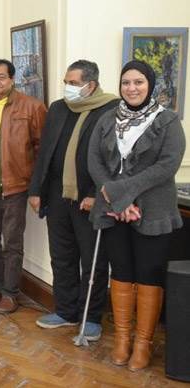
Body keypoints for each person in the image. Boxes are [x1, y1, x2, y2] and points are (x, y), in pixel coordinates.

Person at [88, 60, 185, 371]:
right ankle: (122, 339)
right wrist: (118, 200)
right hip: (114, 212)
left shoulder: (167, 121)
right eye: (126, 82)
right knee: (121, 272)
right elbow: (94, 162)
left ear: (150, 85)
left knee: (148, 274)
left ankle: (143, 343)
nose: (131, 88)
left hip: (153, 209)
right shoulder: (106, 119)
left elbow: (166, 166)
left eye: (138, 82)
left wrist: (122, 194)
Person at [28, 60, 118, 339]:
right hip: (57, 195)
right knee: (62, 256)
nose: (68, 87)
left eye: (74, 83)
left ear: (91, 85)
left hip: (88, 198)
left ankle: (91, 316)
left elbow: (112, 159)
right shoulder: (58, 108)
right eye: (66, 82)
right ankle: (66, 311)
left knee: (93, 260)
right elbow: (45, 153)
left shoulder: (111, 110)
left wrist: (95, 195)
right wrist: (36, 190)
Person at [0, 59, 46, 313]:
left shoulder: (31, 107)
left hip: (14, 184)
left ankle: (10, 294)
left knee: (12, 242)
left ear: (12, 79)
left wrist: (36, 187)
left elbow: (42, 150)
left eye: (1, 77)